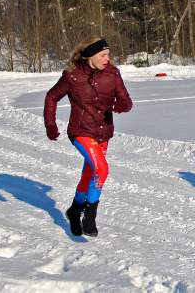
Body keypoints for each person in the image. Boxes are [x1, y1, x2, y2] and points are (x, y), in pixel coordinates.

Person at [43, 36, 133, 236]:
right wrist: (50, 124)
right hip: (80, 131)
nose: (107, 59)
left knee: (90, 173)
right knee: (101, 169)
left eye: (108, 54)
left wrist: (121, 105)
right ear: (90, 56)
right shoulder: (72, 76)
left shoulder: (112, 73)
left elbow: (126, 101)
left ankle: (75, 210)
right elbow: (52, 97)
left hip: (103, 132)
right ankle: (90, 216)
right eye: (102, 55)